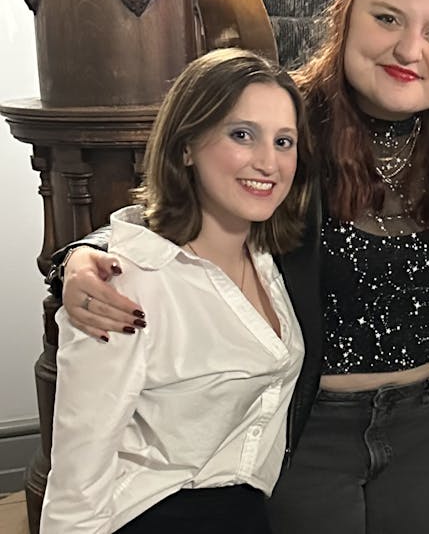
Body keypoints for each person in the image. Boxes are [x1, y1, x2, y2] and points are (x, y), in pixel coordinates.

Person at [46, 0, 429, 534]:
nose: (409, 49)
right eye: (387, 18)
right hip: (307, 421)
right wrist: (82, 255)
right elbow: (175, 207)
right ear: (346, 18)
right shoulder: (286, 122)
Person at [40, 48, 314, 533]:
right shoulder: (124, 282)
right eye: (242, 134)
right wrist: (78, 259)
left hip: (246, 512)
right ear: (186, 145)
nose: (269, 162)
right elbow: (77, 478)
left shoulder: (271, 258)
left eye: (284, 141)